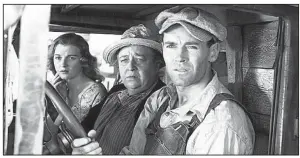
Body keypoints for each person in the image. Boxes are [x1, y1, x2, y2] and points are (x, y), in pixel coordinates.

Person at [71, 6, 255, 155]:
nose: (179, 57)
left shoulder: (221, 123)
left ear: (213, 52)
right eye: (171, 46)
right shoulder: (160, 98)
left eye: (191, 46)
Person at [73, 24, 166, 155]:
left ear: (157, 65)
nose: (130, 67)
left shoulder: (163, 100)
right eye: (124, 60)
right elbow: (86, 124)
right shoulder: (116, 91)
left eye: (139, 60)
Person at [47, 33, 107, 123]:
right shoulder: (55, 87)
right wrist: (59, 99)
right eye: (58, 58)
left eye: (71, 58)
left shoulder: (96, 92)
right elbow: (48, 133)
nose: (63, 64)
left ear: (83, 60)